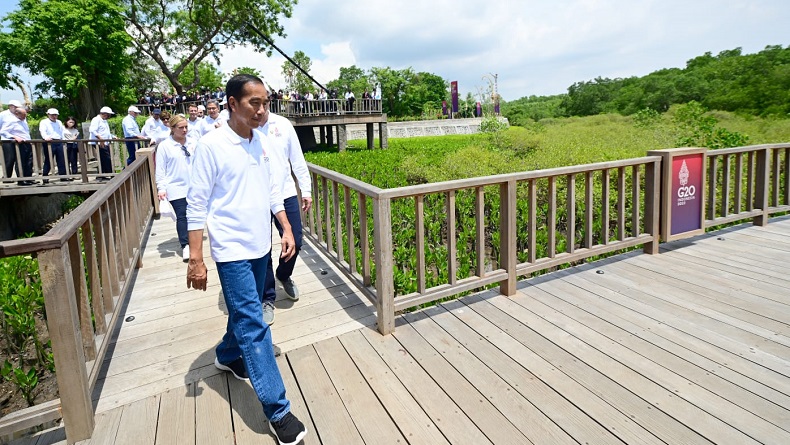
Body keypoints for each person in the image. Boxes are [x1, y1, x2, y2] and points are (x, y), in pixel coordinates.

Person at [186, 74, 307, 445]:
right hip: (232, 251)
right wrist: (196, 258)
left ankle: (226, 354)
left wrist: (286, 228)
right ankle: (279, 411)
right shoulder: (212, 145)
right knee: (255, 326)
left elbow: (274, 193)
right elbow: (196, 204)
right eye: (254, 102)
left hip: (261, 245)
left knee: (245, 313)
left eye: (266, 102)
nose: (262, 110)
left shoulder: (264, 143)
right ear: (232, 104)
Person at [259, 98, 312, 325]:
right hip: (258, 197)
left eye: (264, 102)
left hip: (286, 192)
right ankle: (267, 297)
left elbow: (297, 159)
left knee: (296, 241)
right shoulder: (243, 127)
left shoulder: (283, 124)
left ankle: (284, 274)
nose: (260, 108)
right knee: (263, 249)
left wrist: (306, 189)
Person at [155, 115, 195, 262]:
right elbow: (160, 169)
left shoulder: (193, 142)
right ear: (172, 129)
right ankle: (185, 245)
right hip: (176, 187)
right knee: (182, 216)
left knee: (195, 216)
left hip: (194, 186)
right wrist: (161, 188)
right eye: (181, 128)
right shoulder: (165, 146)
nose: (184, 130)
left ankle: (194, 243)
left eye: (186, 127)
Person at [1, 106, 35, 185]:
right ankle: (21, 180)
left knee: (29, 161)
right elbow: (3, 131)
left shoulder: (23, 121)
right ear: (17, 114)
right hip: (20, 144)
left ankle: (29, 178)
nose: (25, 116)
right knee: (21, 161)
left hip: (27, 142)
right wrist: (14, 137)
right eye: (23, 114)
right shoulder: (12, 121)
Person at [39, 108, 67, 182]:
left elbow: (62, 131)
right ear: (48, 114)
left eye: (55, 115)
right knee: (48, 159)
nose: (54, 116)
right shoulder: (44, 122)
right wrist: (45, 137)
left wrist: (63, 139)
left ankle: (63, 176)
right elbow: (42, 131)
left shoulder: (59, 122)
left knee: (61, 159)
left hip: (59, 141)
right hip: (49, 142)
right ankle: (45, 176)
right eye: (52, 115)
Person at [89, 106, 115, 180]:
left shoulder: (104, 121)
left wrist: (112, 136)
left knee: (104, 158)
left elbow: (105, 132)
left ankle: (103, 174)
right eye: (109, 115)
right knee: (106, 158)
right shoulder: (96, 119)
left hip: (104, 142)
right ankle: (110, 173)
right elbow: (93, 130)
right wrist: (100, 139)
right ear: (104, 114)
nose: (109, 116)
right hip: (99, 142)